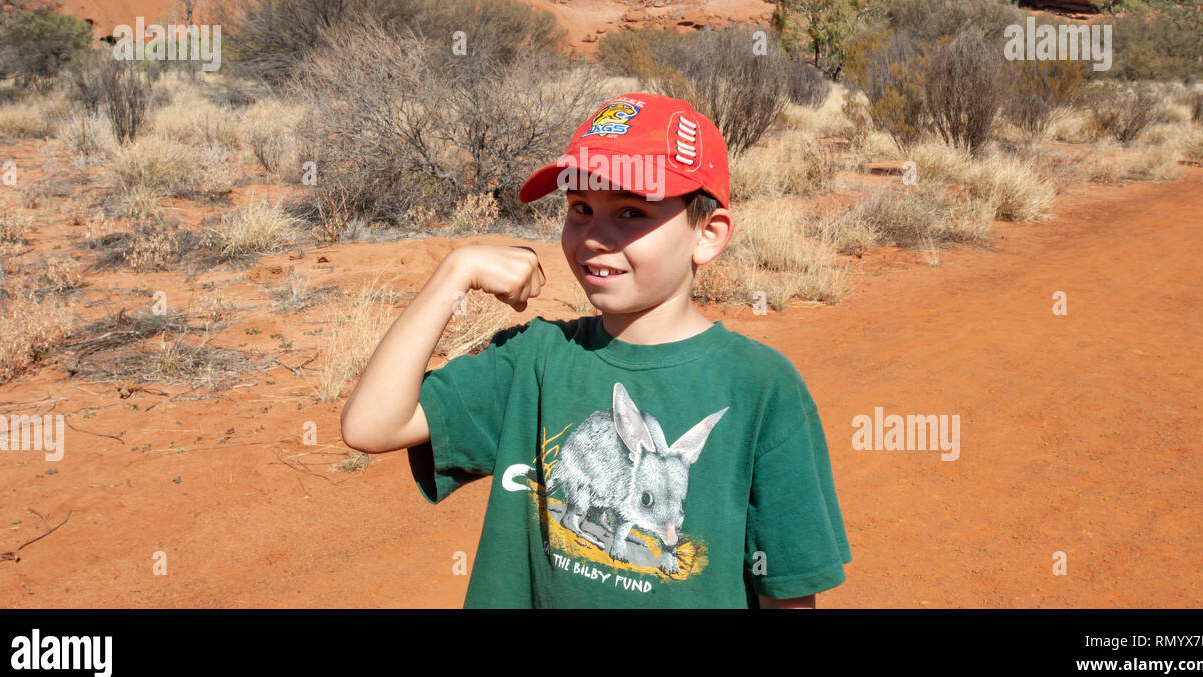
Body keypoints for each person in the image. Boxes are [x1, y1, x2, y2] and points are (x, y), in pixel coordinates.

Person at [341, 92, 851, 608]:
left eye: (630, 211)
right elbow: (371, 425)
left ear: (708, 235)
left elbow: (786, 594)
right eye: (580, 208)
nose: (593, 237)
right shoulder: (536, 358)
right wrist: (456, 272)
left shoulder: (761, 387)